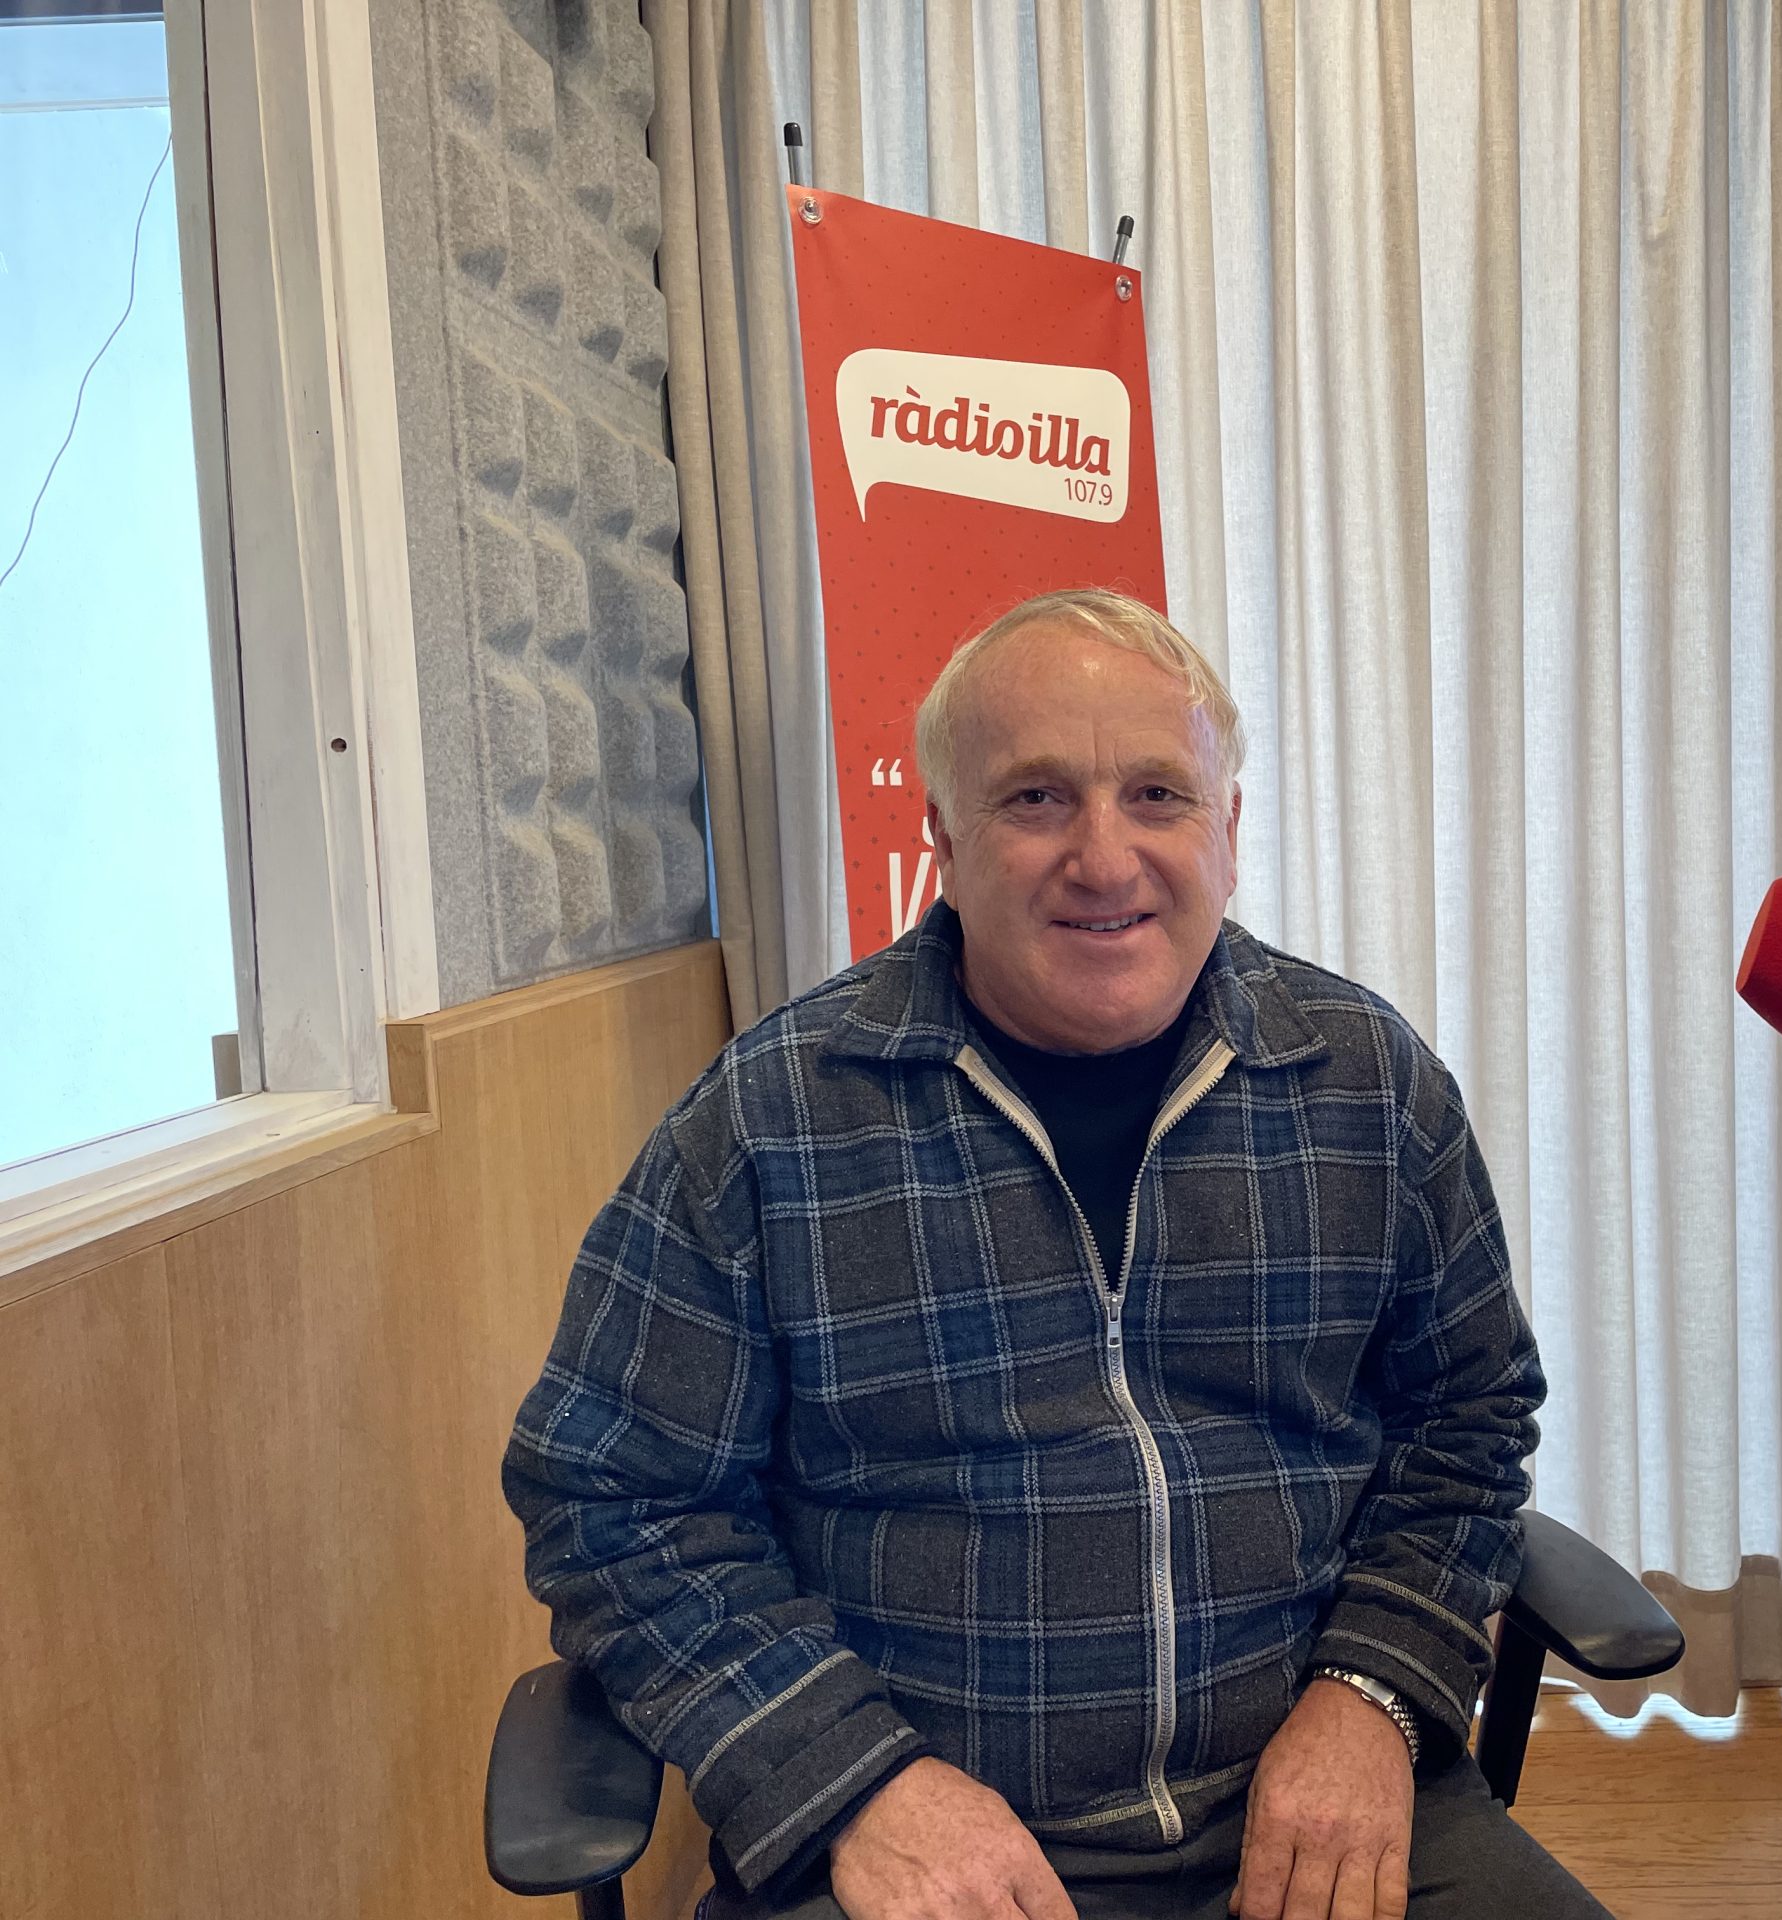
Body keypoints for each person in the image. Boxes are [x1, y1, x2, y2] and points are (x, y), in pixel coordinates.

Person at [505, 588, 1609, 1920]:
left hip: (1316, 1795)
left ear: (1229, 831)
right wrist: (853, 1783)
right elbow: (613, 1496)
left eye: (1157, 796)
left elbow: (1469, 1417)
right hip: (929, 1837)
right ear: (944, 840)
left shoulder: (1368, 1085)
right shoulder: (770, 1122)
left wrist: (1372, 1692)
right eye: (1036, 799)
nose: (1104, 858)